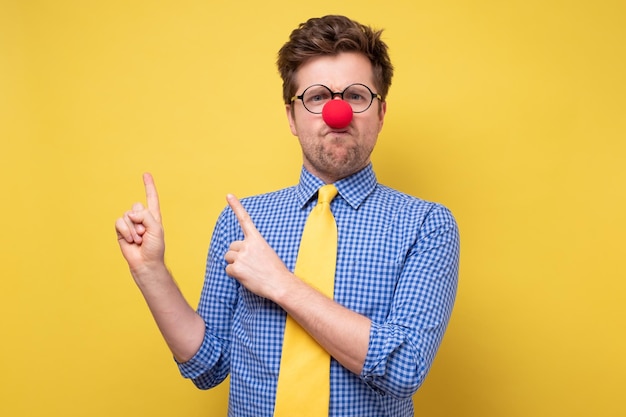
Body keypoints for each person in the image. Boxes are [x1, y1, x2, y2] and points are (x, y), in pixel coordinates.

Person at [115, 14, 460, 417]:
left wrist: (280, 283)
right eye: (317, 97)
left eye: (355, 95)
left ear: (380, 113)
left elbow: (404, 367)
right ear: (291, 117)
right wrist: (150, 272)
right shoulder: (241, 221)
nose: (337, 112)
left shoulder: (428, 224)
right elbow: (208, 365)